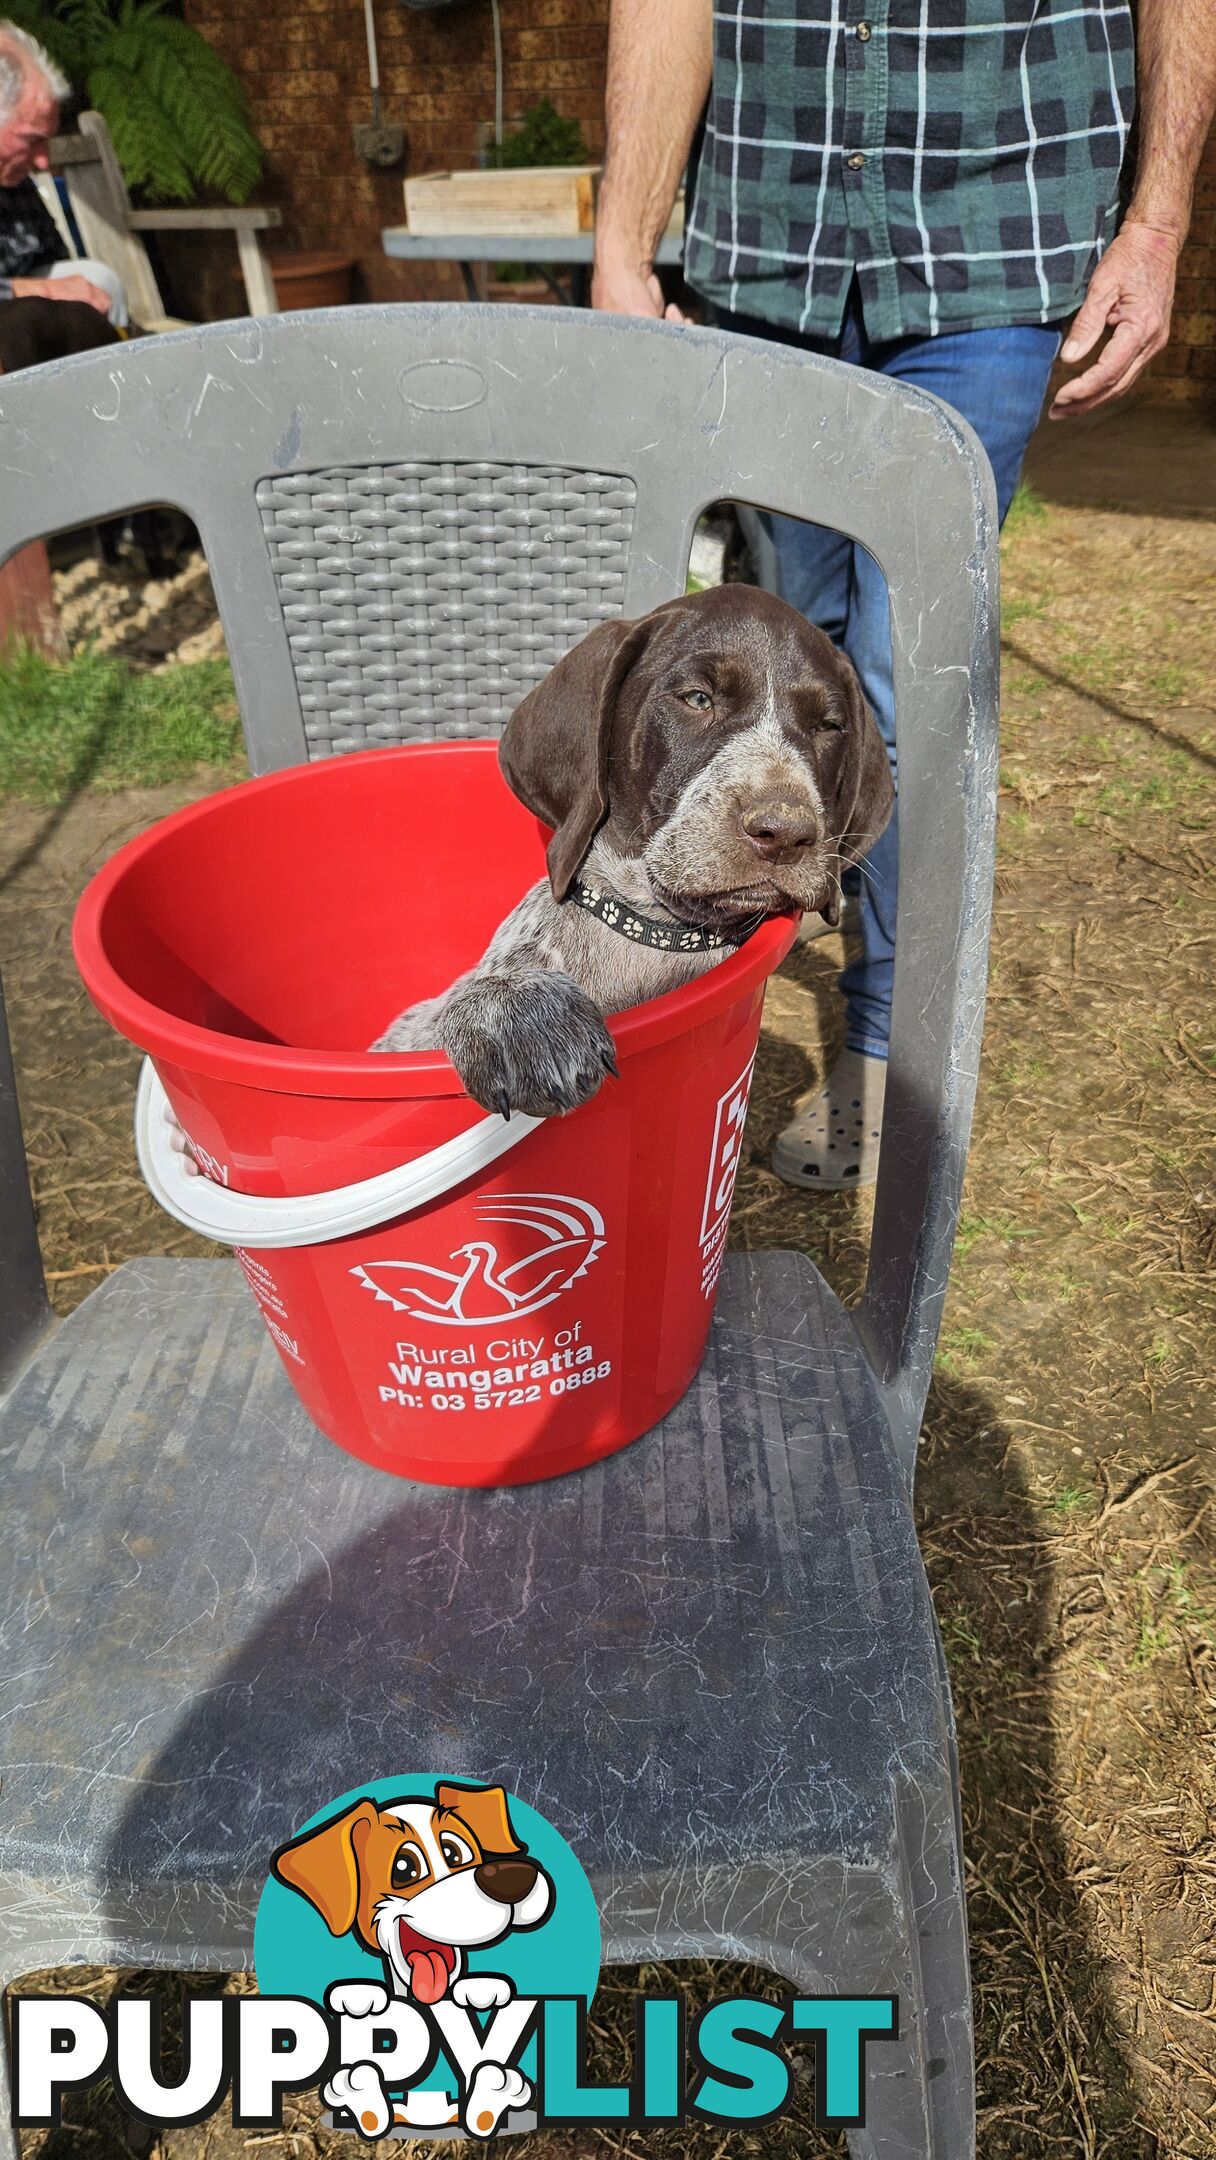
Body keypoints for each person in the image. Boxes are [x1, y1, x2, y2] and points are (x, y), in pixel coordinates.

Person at [593, 0, 1216, 1187]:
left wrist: (1157, 220)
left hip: (992, 241)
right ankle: (737, 935)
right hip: (770, 248)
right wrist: (624, 240)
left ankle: (886, 1050)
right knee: (776, 649)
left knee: (903, 672)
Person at [0, 20, 126, 373]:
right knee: (23, 320)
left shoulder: (13, 175)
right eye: (31, 140)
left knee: (95, 281)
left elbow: (56, 259)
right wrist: (40, 292)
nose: (44, 160)